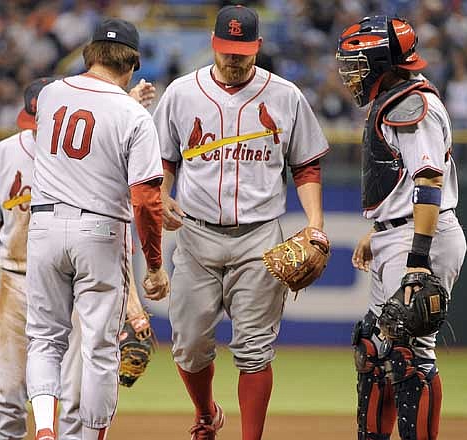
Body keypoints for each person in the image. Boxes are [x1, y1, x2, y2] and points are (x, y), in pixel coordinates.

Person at [152, 5, 330, 440]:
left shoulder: (285, 95)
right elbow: (162, 159)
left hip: (259, 236)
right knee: (189, 346)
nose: (235, 59)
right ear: (214, 44)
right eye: (228, 50)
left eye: (243, 51)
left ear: (258, 48)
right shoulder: (180, 93)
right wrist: (161, 194)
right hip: (196, 233)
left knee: (254, 351)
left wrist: (315, 224)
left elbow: (305, 166)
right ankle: (206, 412)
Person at [0, 73, 159, 440]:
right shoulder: (6, 154)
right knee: (8, 391)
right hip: (17, 281)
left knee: (75, 393)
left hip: (77, 282)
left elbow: (115, 229)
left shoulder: (85, 153)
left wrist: (131, 300)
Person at [24, 18, 169, 440]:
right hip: (100, 232)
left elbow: (87, 109)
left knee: (45, 341)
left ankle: (47, 431)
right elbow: (145, 199)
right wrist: (156, 265)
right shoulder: (133, 116)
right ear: (134, 64)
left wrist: (125, 100)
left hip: (46, 225)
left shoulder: (50, 93)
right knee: (100, 351)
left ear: (90, 54)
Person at [336, 16, 467, 440]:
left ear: (381, 62)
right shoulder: (395, 98)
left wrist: (416, 260)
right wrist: (381, 230)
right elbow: (405, 178)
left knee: (410, 357)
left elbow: (429, 179)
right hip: (400, 231)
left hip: (421, 238)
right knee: (374, 350)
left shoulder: (412, 104)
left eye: (356, 63)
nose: (349, 73)